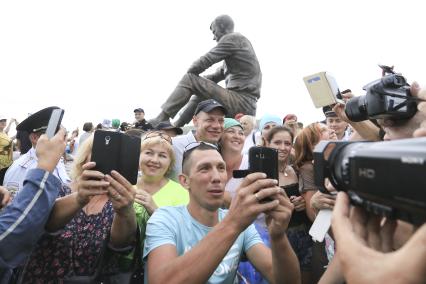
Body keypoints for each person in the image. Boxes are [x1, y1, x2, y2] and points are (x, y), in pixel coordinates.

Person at [143, 142, 300, 283]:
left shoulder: (240, 224)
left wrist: (278, 236)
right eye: (204, 169)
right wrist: (233, 223)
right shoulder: (166, 219)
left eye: (221, 168)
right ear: (185, 181)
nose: (217, 177)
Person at [18, 135, 137, 282]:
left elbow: (120, 244)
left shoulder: (122, 202)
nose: (109, 159)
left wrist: (124, 212)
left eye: (116, 155)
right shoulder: (59, 189)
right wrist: (79, 198)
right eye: (102, 151)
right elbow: (46, 223)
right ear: (84, 157)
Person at [150, 14, 262, 127]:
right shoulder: (235, 52)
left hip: (241, 101)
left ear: (223, 27)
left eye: (214, 32)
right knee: (200, 92)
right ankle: (176, 126)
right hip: (244, 103)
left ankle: (162, 118)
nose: (214, 37)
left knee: (190, 79)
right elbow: (215, 76)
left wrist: (191, 76)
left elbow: (205, 60)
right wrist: (199, 84)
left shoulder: (233, 38)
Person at [0, 129, 66, 283]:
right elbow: (14, 233)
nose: (60, 142)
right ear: (35, 137)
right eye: (54, 136)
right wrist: (45, 166)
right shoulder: (24, 164)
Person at [265, 126, 313, 284]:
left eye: (287, 143)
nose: (283, 147)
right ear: (267, 143)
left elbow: (307, 198)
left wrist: (303, 203)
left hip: (306, 235)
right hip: (281, 238)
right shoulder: (261, 175)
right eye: (277, 142)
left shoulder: (296, 170)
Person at [3, 107, 70, 193]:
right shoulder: (21, 169)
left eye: (63, 136)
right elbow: (20, 205)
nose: (61, 140)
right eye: (56, 135)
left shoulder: (56, 160)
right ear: (35, 138)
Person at [170, 99, 227, 180]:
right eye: (210, 120)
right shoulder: (173, 145)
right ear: (195, 121)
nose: (217, 126)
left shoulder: (224, 151)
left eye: (221, 121)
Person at [219, 118, 247, 207]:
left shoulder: (251, 163)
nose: (237, 136)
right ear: (220, 136)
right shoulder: (209, 162)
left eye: (241, 133)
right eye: (231, 131)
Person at [0, 116, 14, 184]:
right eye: (1, 121)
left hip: (7, 164)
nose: (3, 122)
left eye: (4, 121)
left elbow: (7, 131)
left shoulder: (4, 133)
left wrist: (11, 123)